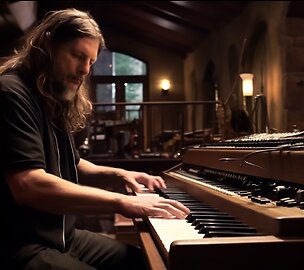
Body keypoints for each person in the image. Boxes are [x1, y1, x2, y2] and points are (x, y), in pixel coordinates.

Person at [0, 8, 190, 269]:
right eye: (78, 56)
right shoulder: (12, 93)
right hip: (20, 245)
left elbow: (74, 164)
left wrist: (120, 175)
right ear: (48, 47)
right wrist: (122, 202)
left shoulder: (50, 95)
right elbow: (29, 184)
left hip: (63, 237)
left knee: (144, 263)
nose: (84, 71)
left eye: (90, 62)